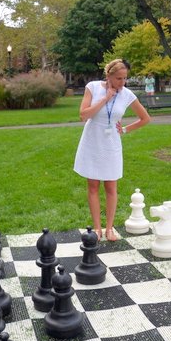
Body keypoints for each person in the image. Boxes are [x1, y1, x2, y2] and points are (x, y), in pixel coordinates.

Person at [74, 59, 151, 242]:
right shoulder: (92, 87)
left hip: (111, 144)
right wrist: (105, 99)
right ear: (108, 75)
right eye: (118, 78)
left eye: (125, 78)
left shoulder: (127, 94)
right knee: (93, 185)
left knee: (111, 186)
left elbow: (145, 118)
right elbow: (84, 115)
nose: (122, 82)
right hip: (92, 140)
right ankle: (97, 229)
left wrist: (124, 130)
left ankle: (109, 229)